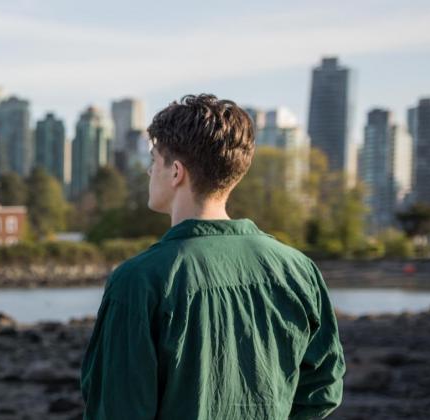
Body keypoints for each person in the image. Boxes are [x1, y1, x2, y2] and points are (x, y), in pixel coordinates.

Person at [80, 94, 345, 419]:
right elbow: (323, 389)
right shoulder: (298, 270)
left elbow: (117, 409)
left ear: (176, 172)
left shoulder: (138, 281)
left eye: (154, 161)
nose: (149, 172)